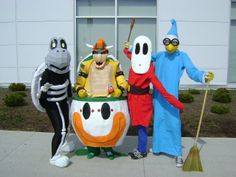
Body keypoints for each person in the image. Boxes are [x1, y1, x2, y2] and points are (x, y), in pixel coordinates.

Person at [151, 19, 214, 167]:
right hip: (159, 96)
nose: (170, 45)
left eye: (173, 42)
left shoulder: (182, 56)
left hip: (171, 95)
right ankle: (159, 147)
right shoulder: (160, 55)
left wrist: (202, 75)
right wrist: (132, 48)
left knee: (173, 122)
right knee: (159, 120)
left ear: (177, 42)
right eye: (167, 42)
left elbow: (191, 70)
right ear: (164, 42)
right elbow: (144, 54)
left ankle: (177, 152)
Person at [123, 35, 184, 159]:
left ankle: (142, 150)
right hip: (132, 99)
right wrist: (126, 48)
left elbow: (162, 90)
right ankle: (140, 148)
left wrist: (177, 104)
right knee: (137, 124)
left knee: (142, 126)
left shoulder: (150, 69)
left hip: (142, 101)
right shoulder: (135, 61)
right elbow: (130, 55)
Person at [74, 38, 128, 160]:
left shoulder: (114, 65)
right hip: (90, 101)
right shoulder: (86, 65)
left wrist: (118, 91)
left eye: (102, 52)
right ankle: (92, 149)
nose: (99, 56)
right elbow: (79, 83)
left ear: (106, 53)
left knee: (108, 127)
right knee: (90, 126)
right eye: (96, 52)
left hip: (109, 102)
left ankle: (108, 149)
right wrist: (80, 90)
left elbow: (122, 82)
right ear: (92, 53)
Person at [32, 37, 74, 168]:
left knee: (66, 127)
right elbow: (40, 94)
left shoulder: (66, 71)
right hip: (52, 103)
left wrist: (71, 98)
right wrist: (43, 94)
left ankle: (64, 144)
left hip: (63, 101)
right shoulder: (46, 73)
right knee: (60, 130)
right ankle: (54, 157)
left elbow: (68, 86)